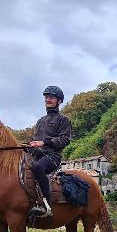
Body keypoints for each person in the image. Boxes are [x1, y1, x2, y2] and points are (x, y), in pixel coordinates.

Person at [28, 85, 72, 217]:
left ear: (59, 101)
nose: (48, 99)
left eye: (51, 97)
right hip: (36, 154)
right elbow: (35, 139)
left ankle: (46, 206)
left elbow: (65, 140)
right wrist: (30, 144)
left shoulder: (63, 120)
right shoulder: (40, 121)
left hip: (52, 156)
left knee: (37, 167)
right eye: (46, 97)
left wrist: (44, 142)